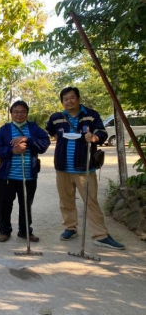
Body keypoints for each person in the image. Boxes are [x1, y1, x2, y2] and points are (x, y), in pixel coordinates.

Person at [46, 87, 125, 249]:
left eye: (72, 98)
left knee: (91, 202)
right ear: (62, 102)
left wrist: (94, 137)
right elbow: (50, 132)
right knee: (66, 200)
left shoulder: (91, 115)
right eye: (66, 99)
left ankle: (100, 235)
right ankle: (70, 228)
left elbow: (102, 133)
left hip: (85, 168)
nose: (69, 101)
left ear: (78, 99)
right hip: (62, 168)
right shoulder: (56, 118)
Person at [0, 101, 50, 243]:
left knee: (26, 205)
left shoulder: (34, 128)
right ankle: (4, 231)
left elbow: (44, 145)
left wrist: (27, 139)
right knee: (4, 205)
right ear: (11, 113)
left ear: (27, 113)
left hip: (28, 176)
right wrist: (13, 150)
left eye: (23, 111)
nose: (19, 114)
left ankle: (25, 231)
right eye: (16, 111)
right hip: (6, 176)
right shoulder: (4, 130)